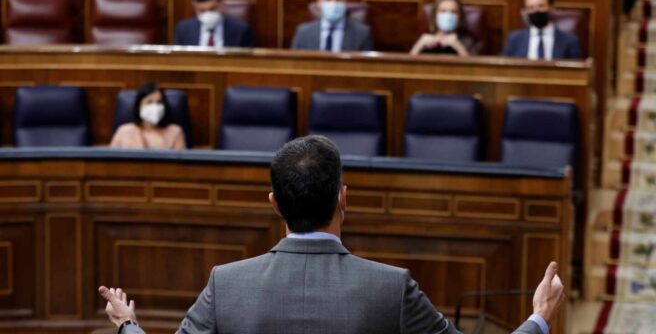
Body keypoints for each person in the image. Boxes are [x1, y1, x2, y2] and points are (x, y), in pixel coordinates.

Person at [99, 135, 565, 334]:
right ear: (344, 198)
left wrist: (127, 324)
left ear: (274, 204)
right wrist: (540, 317)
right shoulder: (391, 287)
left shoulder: (226, 283)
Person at [291, 0, 373, 52]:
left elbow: (365, 67)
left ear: (346, 2)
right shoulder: (304, 32)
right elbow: (294, 64)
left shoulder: (362, 33)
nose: (333, 4)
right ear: (319, 2)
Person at [501, 0, 582, 60]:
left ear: (552, 8)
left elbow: (577, 71)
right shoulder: (515, 39)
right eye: (531, 8)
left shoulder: (569, 41)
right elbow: (503, 68)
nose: (536, 11)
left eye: (541, 6)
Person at [173, 0, 255, 48]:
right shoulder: (183, 29)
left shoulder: (241, 30)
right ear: (195, 7)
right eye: (202, 11)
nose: (208, 14)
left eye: (212, 9)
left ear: (221, 4)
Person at [109, 83, 186, 150]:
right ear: (139, 106)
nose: (155, 107)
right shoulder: (124, 132)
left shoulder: (175, 132)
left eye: (159, 102)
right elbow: (110, 163)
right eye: (149, 102)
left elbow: (180, 165)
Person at [410, 0, 476, 56]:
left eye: (453, 12)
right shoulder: (426, 40)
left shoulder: (467, 41)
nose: (448, 15)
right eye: (443, 11)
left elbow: (474, 66)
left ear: (460, 17)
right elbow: (407, 65)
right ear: (435, 16)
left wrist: (457, 45)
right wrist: (419, 45)